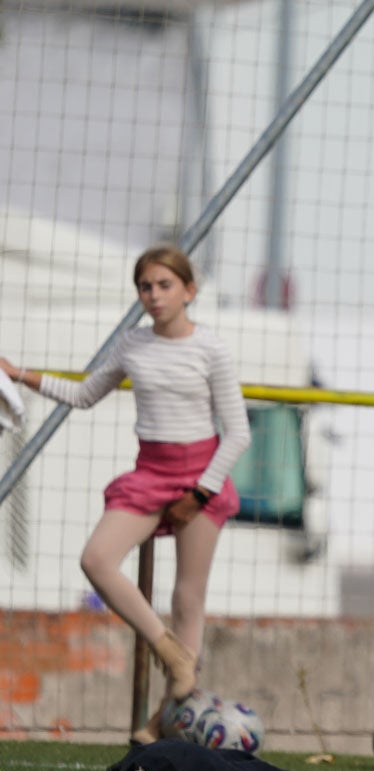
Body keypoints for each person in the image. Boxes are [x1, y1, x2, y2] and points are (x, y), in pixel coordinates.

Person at [1, 244, 250, 744]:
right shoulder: (133, 344)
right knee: (97, 558)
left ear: (188, 291)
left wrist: (200, 495)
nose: (154, 295)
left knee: (188, 595)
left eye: (164, 285)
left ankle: (166, 718)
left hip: (201, 475)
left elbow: (238, 433)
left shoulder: (212, 349)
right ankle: (170, 650)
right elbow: (84, 394)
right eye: (145, 287)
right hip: (151, 472)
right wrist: (18, 373)